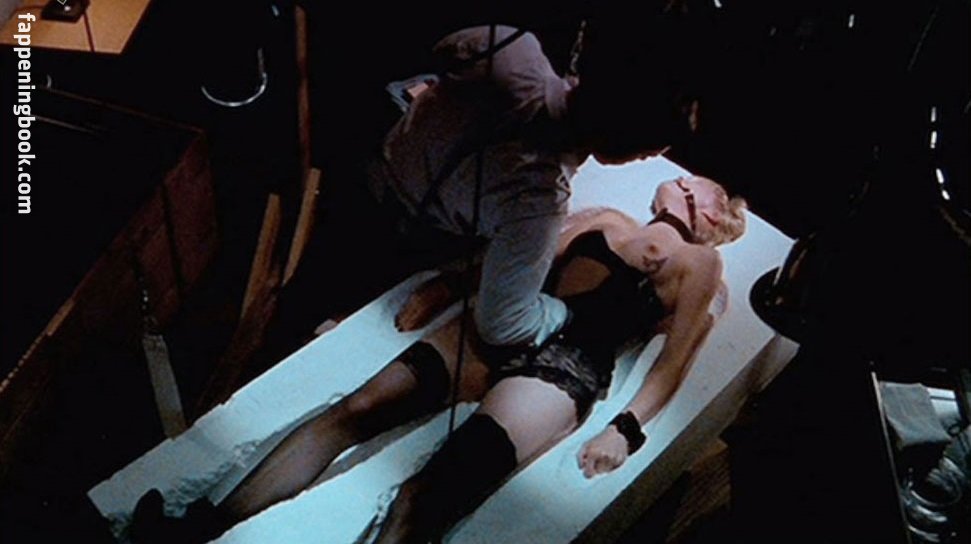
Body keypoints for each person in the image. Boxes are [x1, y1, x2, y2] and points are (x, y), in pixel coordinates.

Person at [129, 175, 745, 543]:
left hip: (565, 367)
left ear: (712, 211)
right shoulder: (607, 217)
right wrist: (447, 286)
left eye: (696, 183)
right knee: (356, 408)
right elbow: (517, 262)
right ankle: (195, 529)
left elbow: (676, 359)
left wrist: (625, 427)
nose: (681, 179)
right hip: (507, 326)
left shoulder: (700, 263)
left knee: (425, 496)